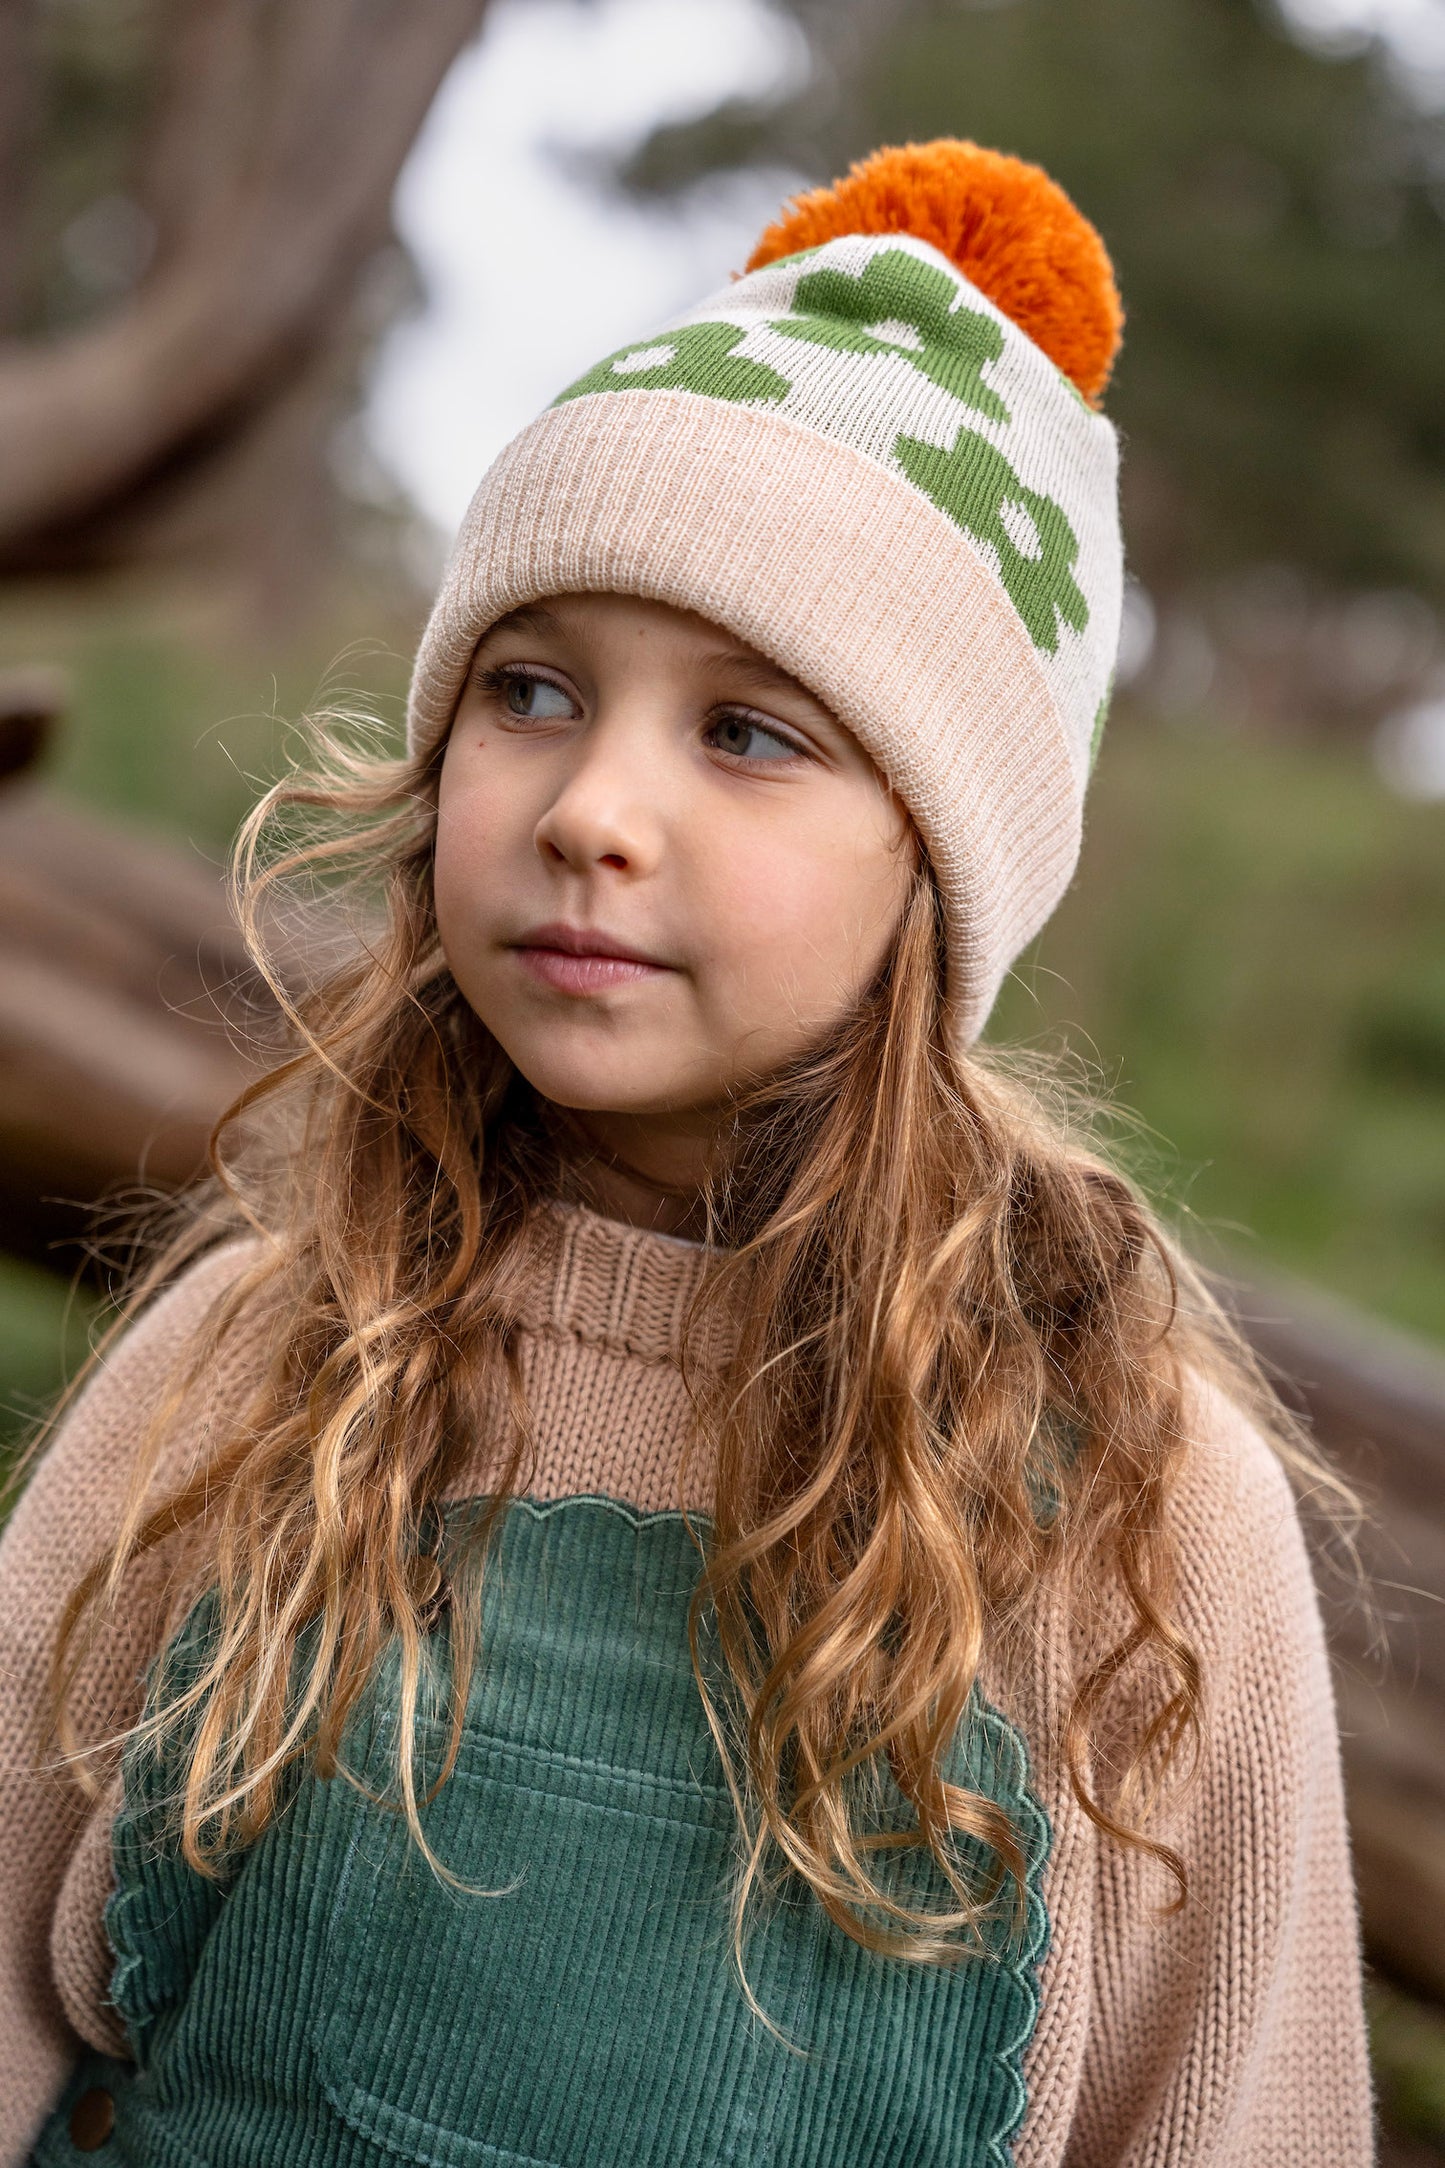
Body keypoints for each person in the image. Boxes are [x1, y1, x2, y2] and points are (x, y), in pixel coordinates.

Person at [0, 140, 1375, 2166]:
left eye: (748, 732)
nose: (592, 809)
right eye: (532, 692)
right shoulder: (257, 1358)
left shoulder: (1140, 1522)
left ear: (940, 862)